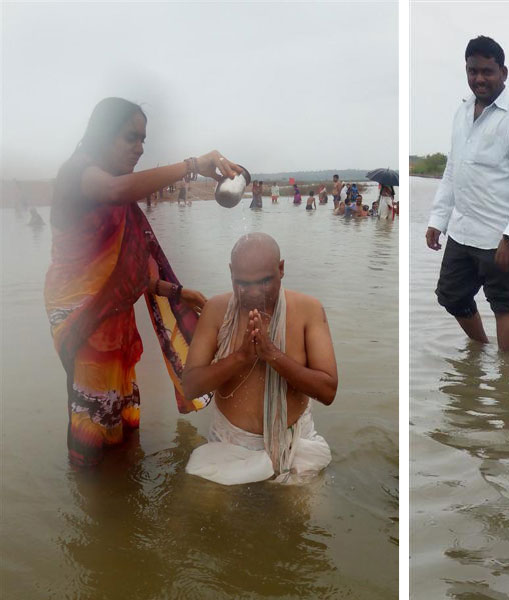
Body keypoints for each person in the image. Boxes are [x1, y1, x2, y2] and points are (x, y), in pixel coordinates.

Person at [44, 97, 241, 466]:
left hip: (116, 319)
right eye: (131, 138)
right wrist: (193, 165)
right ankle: (90, 494)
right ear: (102, 135)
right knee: (93, 418)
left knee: (121, 415)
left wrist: (176, 292)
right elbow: (118, 192)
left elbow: (129, 270)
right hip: (84, 320)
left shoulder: (114, 191)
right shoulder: (80, 174)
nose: (139, 148)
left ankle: (116, 503)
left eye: (143, 141)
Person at [182, 233, 337, 485]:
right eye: (242, 284)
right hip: (228, 442)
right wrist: (241, 357)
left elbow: (328, 391)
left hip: (295, 444)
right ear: (231, 273)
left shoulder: (309, 309)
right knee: (204, 510)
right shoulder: (216, 310)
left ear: (281, 269)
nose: (253, 293)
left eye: (264, 282)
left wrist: (272, 355)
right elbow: (189, 387)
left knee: (306, 519)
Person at [425, 35, 509, 352]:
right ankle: (482, 349)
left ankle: (506, 376)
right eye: (472, 71)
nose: (479, 78)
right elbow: (453, 169)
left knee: (504, 306)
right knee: (451, 296)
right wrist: (438, 218)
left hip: (499, 235)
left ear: (504, 72)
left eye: (487, 71)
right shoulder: (462, 113)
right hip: (462, 231)